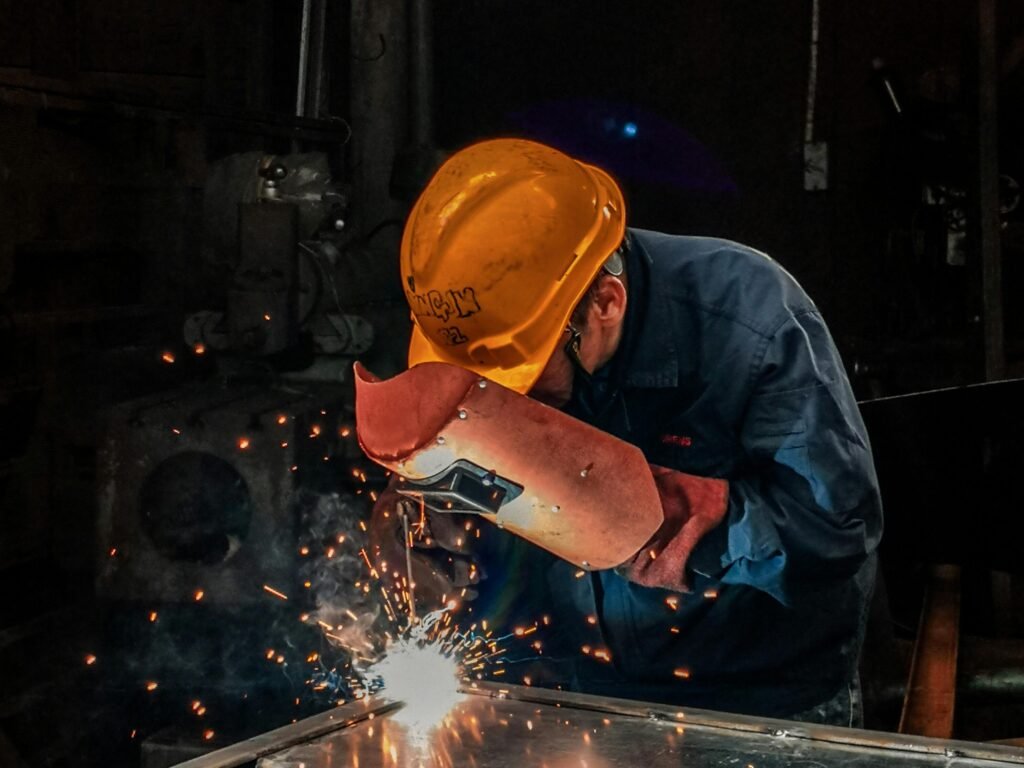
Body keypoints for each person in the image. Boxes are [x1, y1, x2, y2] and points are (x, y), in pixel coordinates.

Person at [361, 138, 883, 725]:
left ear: (604, 304)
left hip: (754, 699)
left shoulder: (750, 318)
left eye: (521, 374)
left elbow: (835, 532)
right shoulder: (487, 326)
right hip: (571, 693)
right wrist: (433, 517)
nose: (504, 399)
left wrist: (645, 514)